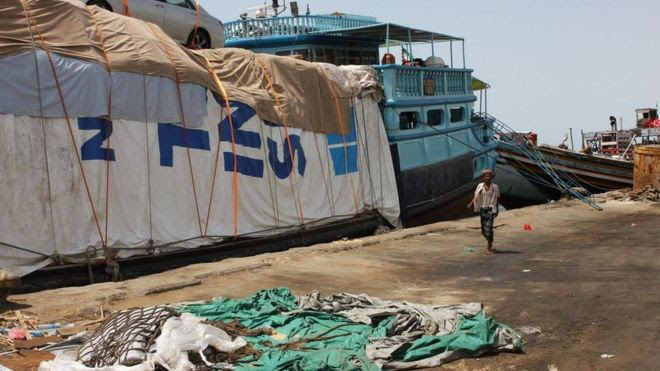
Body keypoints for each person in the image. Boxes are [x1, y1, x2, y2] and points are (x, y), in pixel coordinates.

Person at [467, 169, 500, 255]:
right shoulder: (480, 186)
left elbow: (497, 199)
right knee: (484, 231)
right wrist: (471, 204)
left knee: (488, 229)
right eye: (486, 176)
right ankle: (490, 240)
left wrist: (497, 210)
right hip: (482, 210)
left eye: (489, 176)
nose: (488, 178)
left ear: (491, 177)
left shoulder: (495, 187)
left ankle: (488, 248)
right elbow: (476, 196)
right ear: (483, 178)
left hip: (491, 210)